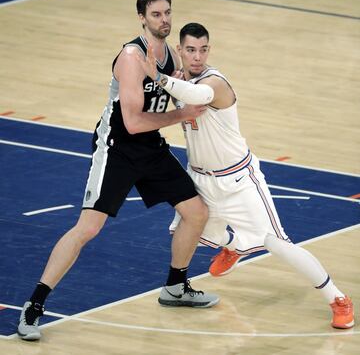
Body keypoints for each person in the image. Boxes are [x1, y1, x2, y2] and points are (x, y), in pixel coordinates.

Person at [17, 0, 220, 342]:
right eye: (156, 14)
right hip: (118, 149)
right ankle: (34, 306)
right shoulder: (131, 57)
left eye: (167, 13)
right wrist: (181, 114)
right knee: (88, 228)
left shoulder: (171, 54)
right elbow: (133, 123)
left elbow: (182, 92)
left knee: (197, 212)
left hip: (151, 146)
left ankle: (175, 286)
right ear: (142, 17)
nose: (165, 20)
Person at [139, 22, 354, 329]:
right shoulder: (178, 80)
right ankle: (236, 244)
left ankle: (337, 298)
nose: (197, 56)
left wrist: (157, 76)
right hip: (201, 179)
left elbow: (196, 94)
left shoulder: (215, 83)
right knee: (189, 235)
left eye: (203, 49)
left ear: (209, 50)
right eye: (190, 50)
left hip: (239, 179)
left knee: (278, 243)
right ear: (180, 51)